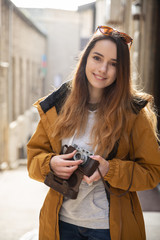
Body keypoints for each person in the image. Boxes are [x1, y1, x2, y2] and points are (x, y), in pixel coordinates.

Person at [27, 26, 160, 240]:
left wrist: (110, 169)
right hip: (61, 225)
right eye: (97, 58)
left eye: (113, 64)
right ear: (86, 59)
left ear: (121, 70)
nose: (102, 69)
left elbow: (152, 173)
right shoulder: (56, 107)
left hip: (108, 228)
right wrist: (50, 164)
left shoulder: (134, 114)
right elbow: (34, 159)